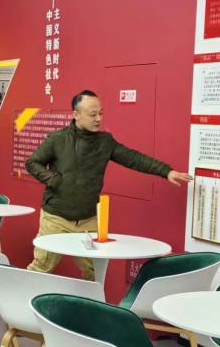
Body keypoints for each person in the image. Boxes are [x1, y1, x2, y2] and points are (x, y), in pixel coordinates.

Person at [26, 90, 192, 280]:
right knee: (41, 267)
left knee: (94, 272)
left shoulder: (105, 141)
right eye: (92, 114)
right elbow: (33, 163)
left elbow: (133, 158)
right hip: (56, 218)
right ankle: (21, 297)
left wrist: (166, 171)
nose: (98, 119)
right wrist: (52, 178)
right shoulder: (57, 139)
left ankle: (89, 301)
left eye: (101, 113)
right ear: (76, 115)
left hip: (88, 220)